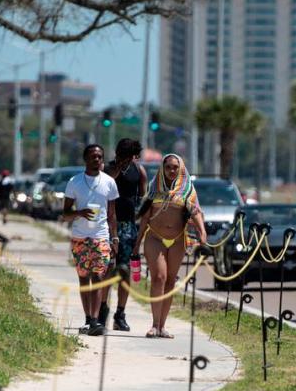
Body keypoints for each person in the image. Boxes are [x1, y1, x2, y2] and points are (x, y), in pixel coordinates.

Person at [134, 153, 206, 338]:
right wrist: (137, 243)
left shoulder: (187, 188)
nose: (172, 171)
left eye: (175, 167)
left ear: (181, 168)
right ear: (162, 168)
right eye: (168, 167)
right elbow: (145, 218)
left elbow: (195, 212)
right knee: (159, 277)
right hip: (155, 237)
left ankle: (163, 326)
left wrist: (202, 233)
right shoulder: (154, 187)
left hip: (177, 239)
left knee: (170, 280)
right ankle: (154, 324)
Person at [62, 144, 119, 336]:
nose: (97, 159)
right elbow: (65, 214)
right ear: (85, 159)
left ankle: (95, 320)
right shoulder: (74, 182)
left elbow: (112, 214)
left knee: (99, 276)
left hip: (101, 236)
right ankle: (88, 318)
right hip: (80, 237)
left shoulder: (109, 182)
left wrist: (115, 237)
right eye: (93, 156)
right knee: (84, 278)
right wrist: (79, 212)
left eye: (100, 156)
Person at [99, 138, 147, 331]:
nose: (125, 160)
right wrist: (117, 169)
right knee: (107, 269)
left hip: (128, 227)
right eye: (122, 156)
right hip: (108, 226)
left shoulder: (139, 171)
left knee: (125, 271)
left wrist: (140, 217)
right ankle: (102, 310)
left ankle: (120, 313)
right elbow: (104, 186)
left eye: (129, 157)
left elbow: (143, 197)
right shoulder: (108, 169)